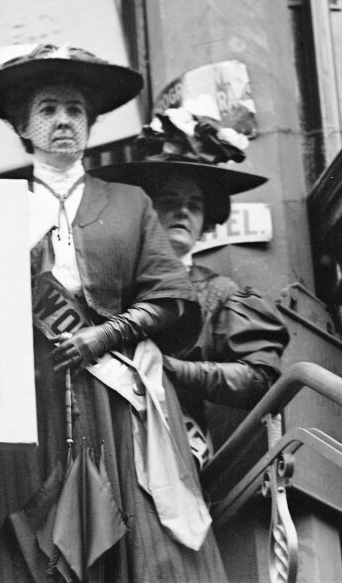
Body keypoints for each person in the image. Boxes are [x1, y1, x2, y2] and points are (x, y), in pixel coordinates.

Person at [0, 44, 227, 582]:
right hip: (28, 392)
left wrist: (104, 336)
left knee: (134, 521)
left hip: (116, 392)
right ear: (23, 126)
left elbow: (172, 297)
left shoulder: (129, 203)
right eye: (48, 109)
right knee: (33, 528)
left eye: (75, 110)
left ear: (92, 123)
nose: (63, 121)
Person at [89, 107, 290, 468]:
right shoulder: (108, 279)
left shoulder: (219, 293)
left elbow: (260, 378)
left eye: (194, 205)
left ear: (205, 223)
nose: (182, 211)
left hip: (176, 450)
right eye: (169, 201)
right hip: (104, 437)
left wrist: (174, 370)